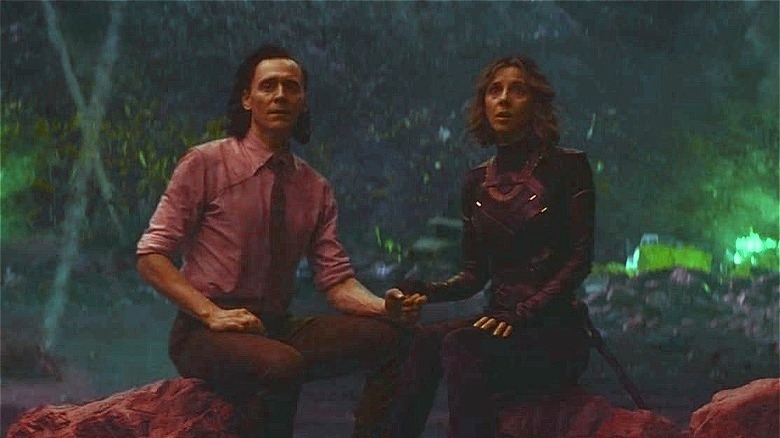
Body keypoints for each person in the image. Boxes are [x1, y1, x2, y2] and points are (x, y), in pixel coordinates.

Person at [136, 45, 422, 438]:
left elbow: (336, 282)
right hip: (204, 332)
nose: (280, 95)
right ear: (247, 99)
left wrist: (383, 307)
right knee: (283, 365)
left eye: (291, 87)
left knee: (398, 340)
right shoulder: (206, 163)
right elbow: (151, 256)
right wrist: (212, 314)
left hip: (275, 327)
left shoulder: (314, 187)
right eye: (268, 86)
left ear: (303, 101)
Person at [384, 55, 594, 438]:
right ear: (483, 103)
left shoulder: (569, 167)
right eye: (495, 91)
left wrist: (522, 313)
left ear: (536, 102)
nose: (504, 99)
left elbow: (580, 260)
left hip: (554, 329)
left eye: (518, 90)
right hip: (497, 323)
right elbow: (474, 275)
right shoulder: (477, 181)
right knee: (425, 341)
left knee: (460, 345)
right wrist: (424, 290)